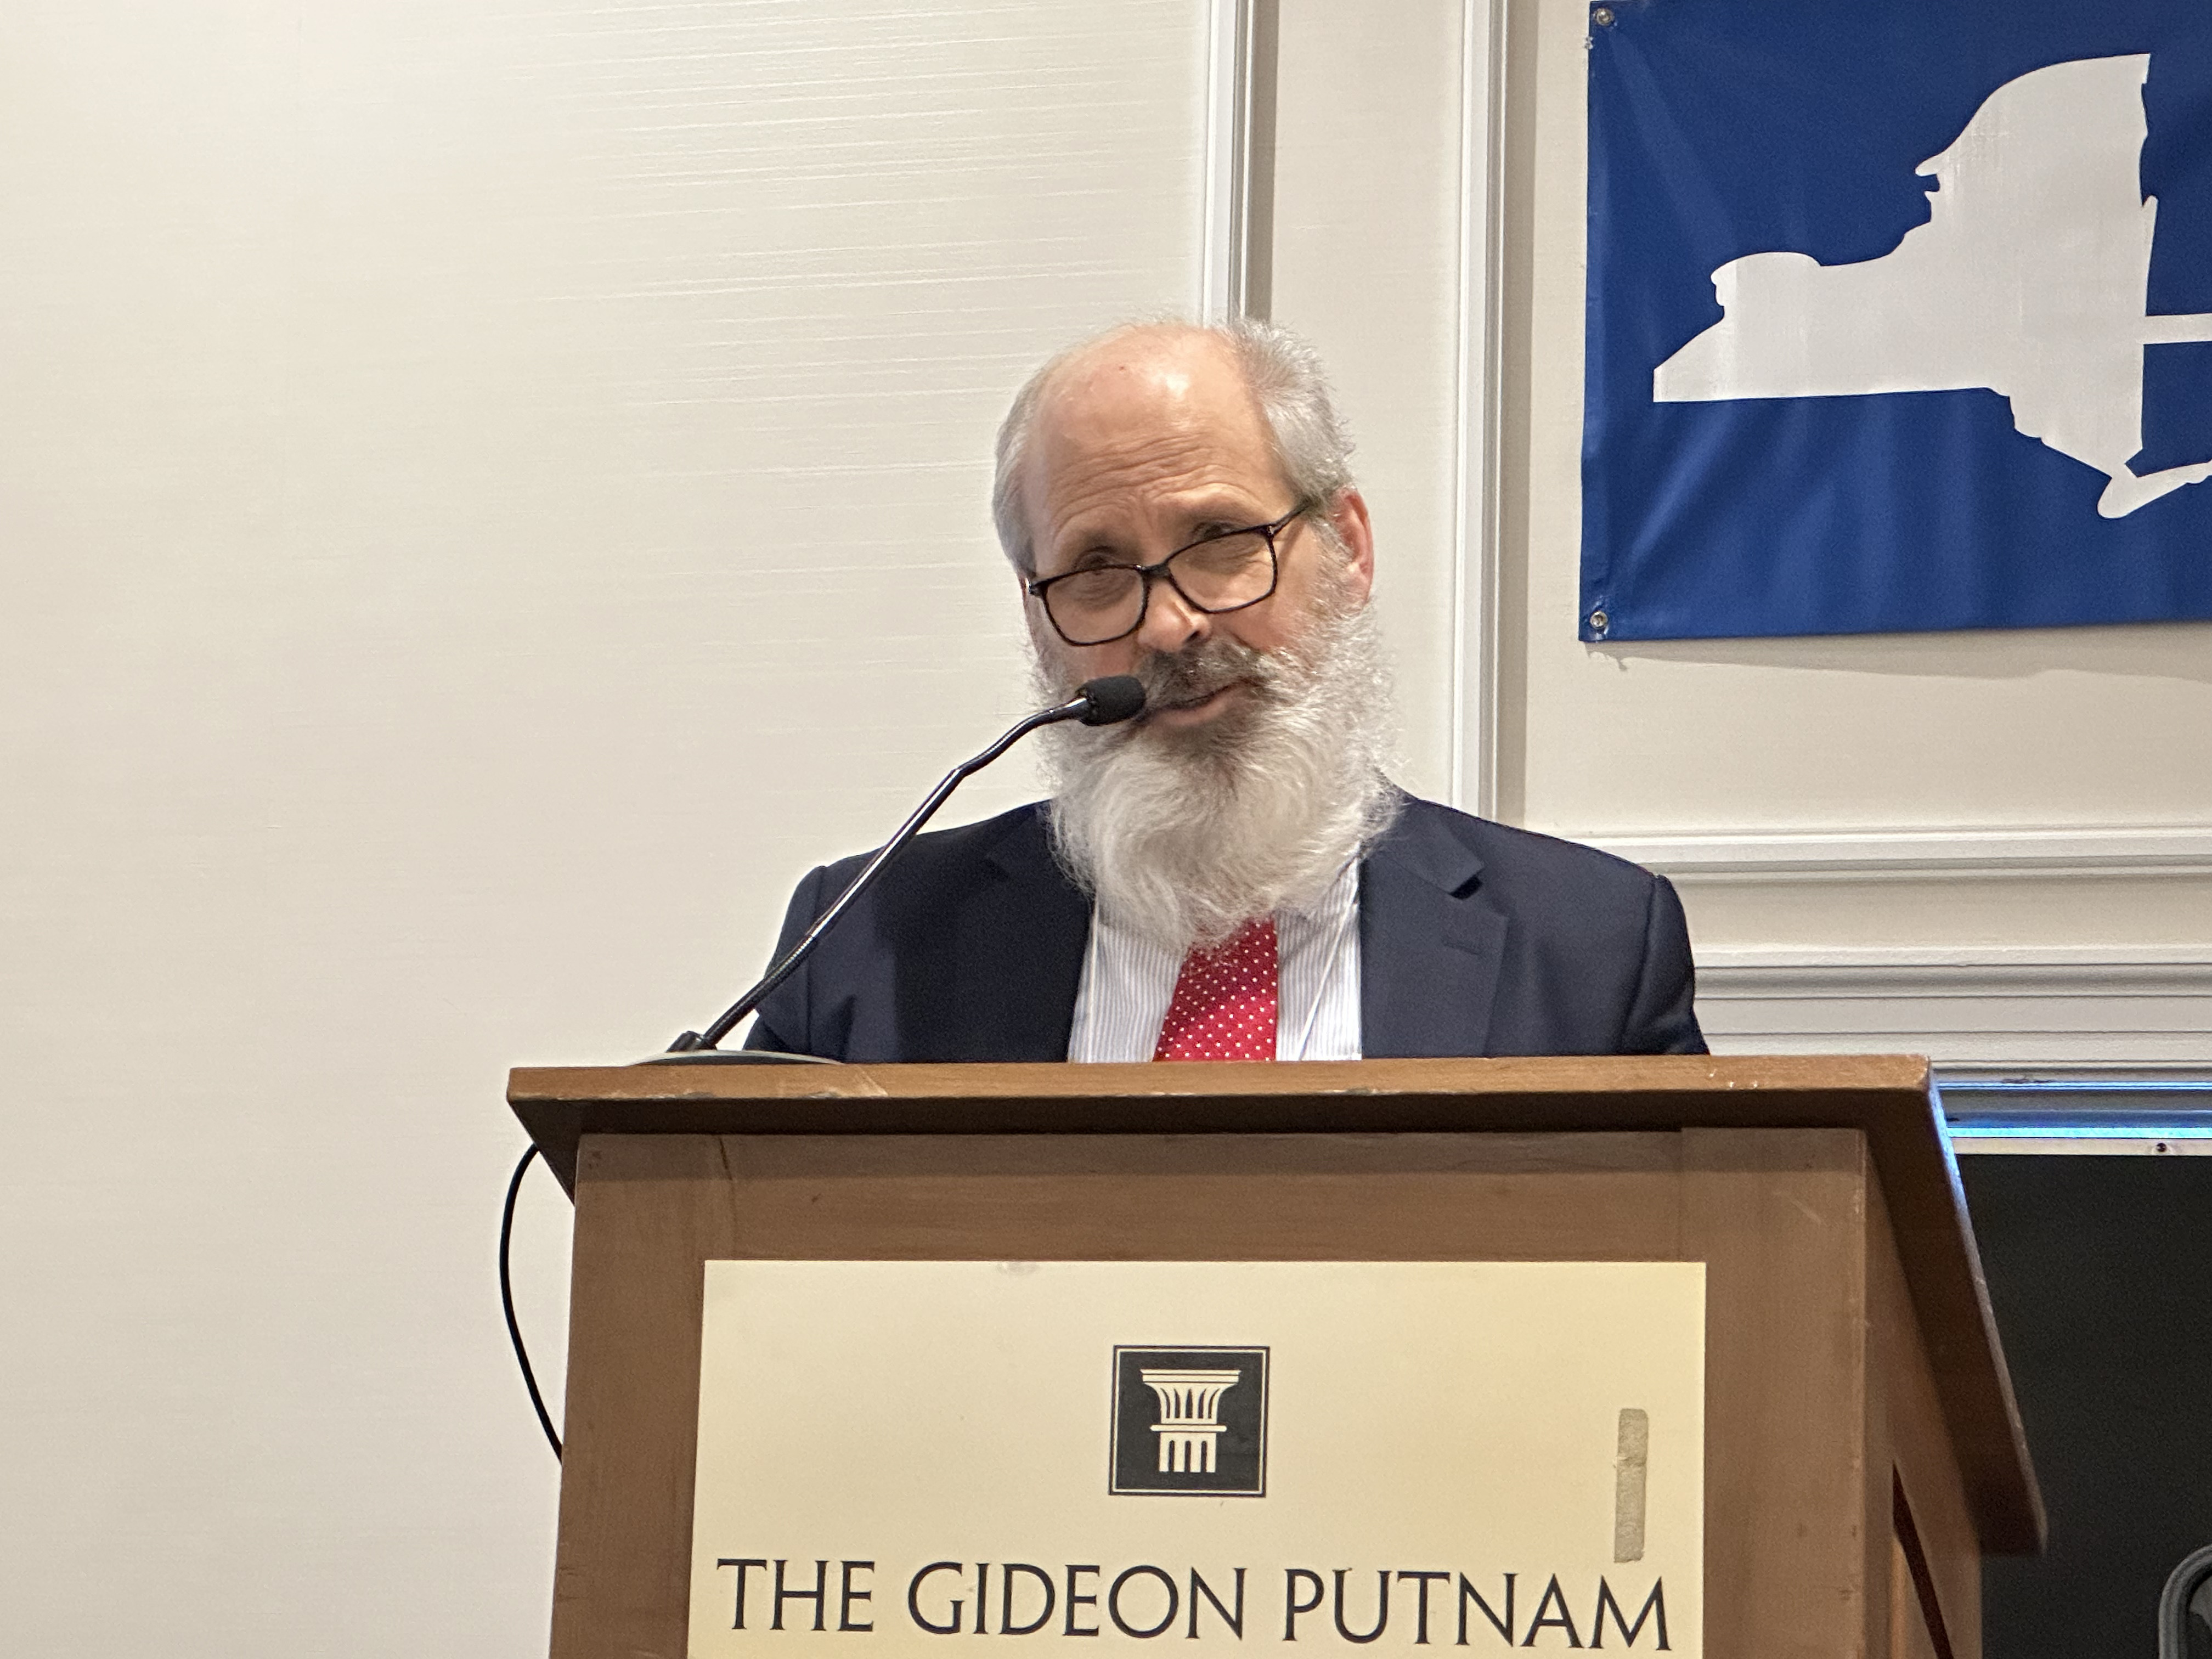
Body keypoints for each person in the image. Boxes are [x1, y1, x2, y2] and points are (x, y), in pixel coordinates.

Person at [744, 319, 1703, 1062]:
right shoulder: (861, 946)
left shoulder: (1589, 947)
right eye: (1097, 570)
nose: (1171, 627)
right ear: (1037, 615)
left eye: (1219, 542)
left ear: (1347, 550)